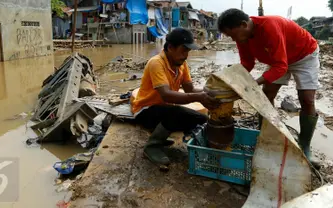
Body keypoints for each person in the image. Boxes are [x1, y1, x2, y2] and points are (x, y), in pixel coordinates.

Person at [217, 9, 320, 167]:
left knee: (307, 99)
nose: (233, 39)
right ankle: (266, 136)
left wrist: (253, 84)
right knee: (266, 95)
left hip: (303, 55)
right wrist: (232, 80)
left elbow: (281, 66)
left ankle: (305, 145)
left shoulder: (269, 27)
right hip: (278, 59)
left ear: (244, 25)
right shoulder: (242, 37)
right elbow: (247, 63)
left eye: (232, 35)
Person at [131, 28, 220, 166]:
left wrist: (211, 91)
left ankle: (166, 135)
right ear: (171, 47)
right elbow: (166, 95)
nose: (186, 55)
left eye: (188, 52)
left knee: (202, 119)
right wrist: (199, 97)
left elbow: (190, 89)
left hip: (164, 109)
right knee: (176, 113)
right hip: (145, 110)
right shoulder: (156, 63)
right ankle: (152, 146)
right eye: (183, 50)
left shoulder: (182, 65)